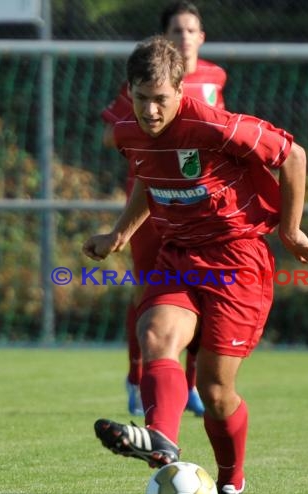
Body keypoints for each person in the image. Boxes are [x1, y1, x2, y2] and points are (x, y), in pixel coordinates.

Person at [83, 36, 308, 494]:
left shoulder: (213, 125)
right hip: (177, 256)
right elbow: (150, 182)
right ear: (127, 91)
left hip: (237, 263)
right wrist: (118, 234)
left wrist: (291, 230)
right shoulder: (128, 132)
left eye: (161, 99)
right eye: (141, 97)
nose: (151, 110)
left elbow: (293, 156)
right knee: (154, 335)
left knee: (216, 393)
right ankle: (161, 440)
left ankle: (231, 482)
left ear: (180, 89)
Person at [101, 1, 227, 417]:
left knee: (203, 295)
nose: (184, 37)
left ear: (202, 37)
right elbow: (114, 137)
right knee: (148, 292)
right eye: (176, 30)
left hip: (196, 209)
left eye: (191, 30)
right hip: (150, 207)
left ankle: (188, 383)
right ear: (163, 40)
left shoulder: (214, 77)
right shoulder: (141, 88)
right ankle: (137, 378)